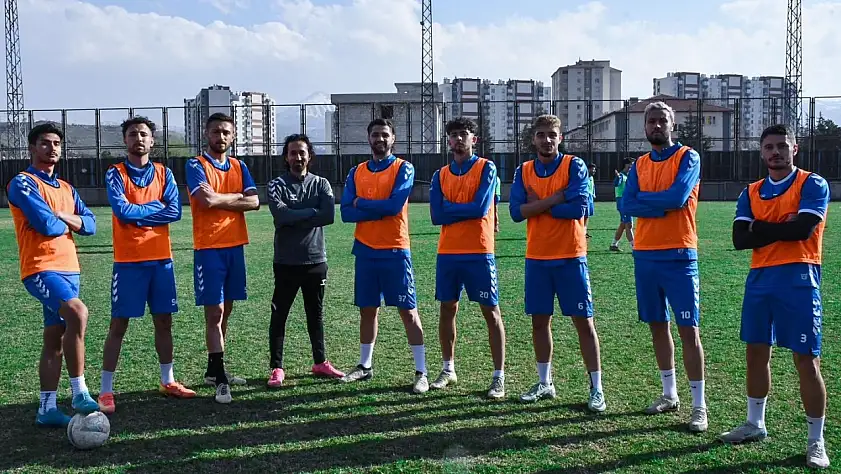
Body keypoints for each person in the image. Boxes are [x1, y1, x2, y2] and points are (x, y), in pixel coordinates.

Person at [722, 124, 830, 469]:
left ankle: (816, 441)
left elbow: (803, 230)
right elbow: (740, 239)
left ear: (794, 149)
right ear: (761, 152)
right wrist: (783, 226)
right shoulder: (751, 191)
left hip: (799, 278)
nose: (776, 152)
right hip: (760, 279)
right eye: (769, 147)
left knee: (806, 361)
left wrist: (760, 226)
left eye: (782, 146)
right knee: (755, 354)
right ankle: (755, 423)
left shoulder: (812, 184)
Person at [96, 117, 195, 414]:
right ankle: (106, 390)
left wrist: (138, 214)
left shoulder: (164, 173)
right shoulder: (115, 173)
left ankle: (168, 380)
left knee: (164, 322)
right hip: (128, 262)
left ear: (152, 141)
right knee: (119, 324)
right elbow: (122, 212)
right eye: (132, 134)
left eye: (143, 134)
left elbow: (175, 211)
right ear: (125, 140)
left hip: (161, 261)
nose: (138, 138)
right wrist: (153, 209)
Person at [509, 114, 605, 412]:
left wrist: (536, 205)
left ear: (560, 138)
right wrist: (556, 198)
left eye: (552, 134)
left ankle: (597, 388)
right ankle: (545, 382)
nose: (546, 140)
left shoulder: (574, 165)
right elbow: (516, 212)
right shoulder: (524, 170)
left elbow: (580, 207)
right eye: (541, 134)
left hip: (570, 256)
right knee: (539, 322)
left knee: (583, 322)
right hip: (537, 258)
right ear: (533, 139)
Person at [621, 101, 707, 432]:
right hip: (645, 255)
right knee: (657, 326)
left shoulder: (688, 157)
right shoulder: (640, 164)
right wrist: (659, 206)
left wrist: (649, 203)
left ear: (673, 125)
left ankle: (699, 406)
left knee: (689, 330)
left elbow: (678, 198)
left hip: (679, 254)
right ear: (644, 127)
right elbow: (626, 204)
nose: (656, 126)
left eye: (662, 121)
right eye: (651, 121)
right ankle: (669, 393)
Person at [8, 123, 99, 426]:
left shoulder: (67, 188)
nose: (52, 148)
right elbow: (46, 225)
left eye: (57, 144)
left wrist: (61, 215)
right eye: (45, 143)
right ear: (32, 148)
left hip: (69, 268)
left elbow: (91, 225)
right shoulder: (23, 183)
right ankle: (79, 392)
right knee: (78, 312)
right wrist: (69, 221)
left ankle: (46, 409)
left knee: (54, 337)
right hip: (40, 268)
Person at [339, 118, 428, 394]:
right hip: (365, 250)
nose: (380, 139)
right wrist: (373, 208)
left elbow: (393, 207)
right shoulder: (356, 171)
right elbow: (345, 213)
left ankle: (421, 371)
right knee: (368, 310)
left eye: (385, 135)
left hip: (395, 250)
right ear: (369, 139)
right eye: (375, 134)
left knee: (408, 311)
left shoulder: (404, 168)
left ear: (393, 139)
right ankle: (365, 365)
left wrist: (361, 203)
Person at [428, 117, 506, 399]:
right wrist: (461, 209)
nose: (458, 139)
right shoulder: (440, 175)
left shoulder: (487, 168)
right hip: (448, 252)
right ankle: (448, 369)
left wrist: (452, 208)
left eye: (464, 134)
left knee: (491, 312)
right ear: (448, 140)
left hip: (479, 251)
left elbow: (479, 208)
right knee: (447, 309)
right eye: (453, 135)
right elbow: (436, 216)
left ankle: (498, 376)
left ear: (475, 139)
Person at [185, 112, 260, 404]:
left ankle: (213, 369)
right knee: (214, 312)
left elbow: (254, 201)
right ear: (207, 134)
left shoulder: (240, 166)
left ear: (233, 136)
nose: (221, 137)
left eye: (226, 132)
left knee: (226, 310)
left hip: (235, 245)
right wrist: (234, 197)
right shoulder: (196, 165)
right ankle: (219, 375)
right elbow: (205, 201)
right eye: (216, 131)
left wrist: (220, 198)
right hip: (209, 248)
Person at [266, 133, 344, 388]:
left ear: (309, 156)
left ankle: (320, 362)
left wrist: (295, 215)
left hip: (315, 260)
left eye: (302, 152)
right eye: (293, 153)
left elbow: (328, 216)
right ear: (286, 157)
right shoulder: (276, 184)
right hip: (286, 262)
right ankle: (277, 367)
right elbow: (281, 216)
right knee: (280, 315)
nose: (297, 157)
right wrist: (311, 212)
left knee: (315, 314)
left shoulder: (321, 184)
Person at [610, 157, 635, 252]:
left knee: (623, 224)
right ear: (626, 165)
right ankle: (634, 247)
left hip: (628, 202)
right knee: (629, 224)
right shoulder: (621, 175)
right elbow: (616, 183)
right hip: (623, 202)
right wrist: (617, 177)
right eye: (631, 164)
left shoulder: (630, 176)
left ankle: (614, 244)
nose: (632, 166)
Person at [584, 163, 596, 238]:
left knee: (587, 216)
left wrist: (594, 194)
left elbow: (593, 186)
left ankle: (585, 230)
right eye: (593, 169)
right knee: (584, 215)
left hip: (590, 198)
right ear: (588, 169)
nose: (594, 171)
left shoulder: (591, 177)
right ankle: (582, 231)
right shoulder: (584, 176)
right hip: (585, 198)